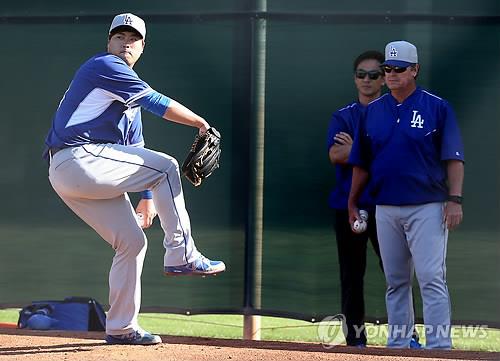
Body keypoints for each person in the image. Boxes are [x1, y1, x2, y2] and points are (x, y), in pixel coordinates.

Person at [43, 13, 226, 345]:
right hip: (76, 158)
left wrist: (147, 199)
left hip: (75, 171)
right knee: (167, 167)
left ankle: (121, 326)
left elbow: (135, 152)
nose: (125, 42)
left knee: (132, 241)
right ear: (108, 43)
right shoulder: (104, 66)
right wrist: (201, 123)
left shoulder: (129, 103)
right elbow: (157, 102)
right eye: (119, 36)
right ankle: (181, 253)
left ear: (142, 47)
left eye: (133, 38)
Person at [348, 40, 464, 349]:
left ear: (415, 70)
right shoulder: (372, 112)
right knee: (395, 280)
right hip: (385, 206)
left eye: (399, 69)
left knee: (430, 277)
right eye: (388, 69)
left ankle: (439, 346)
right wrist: (352, 202)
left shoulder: (437, 107)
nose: (392, 74)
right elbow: (361, 164)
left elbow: (453, 158)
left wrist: (455, 200)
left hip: (428, 204)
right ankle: (398, 345)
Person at [326, 50, 385, 347]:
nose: (366, 80)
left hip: (389, 205)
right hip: (347, 206)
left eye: (373, 75)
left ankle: (406, 336)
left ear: (384, 79)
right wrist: (373, 149)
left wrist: (357, 148)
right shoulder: (344, 116)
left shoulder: (394, 112)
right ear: (354, 78)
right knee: (351, 276)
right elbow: (336, 154)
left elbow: (395, 154)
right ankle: (355, 341)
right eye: (361, 74)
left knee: (397, 275)